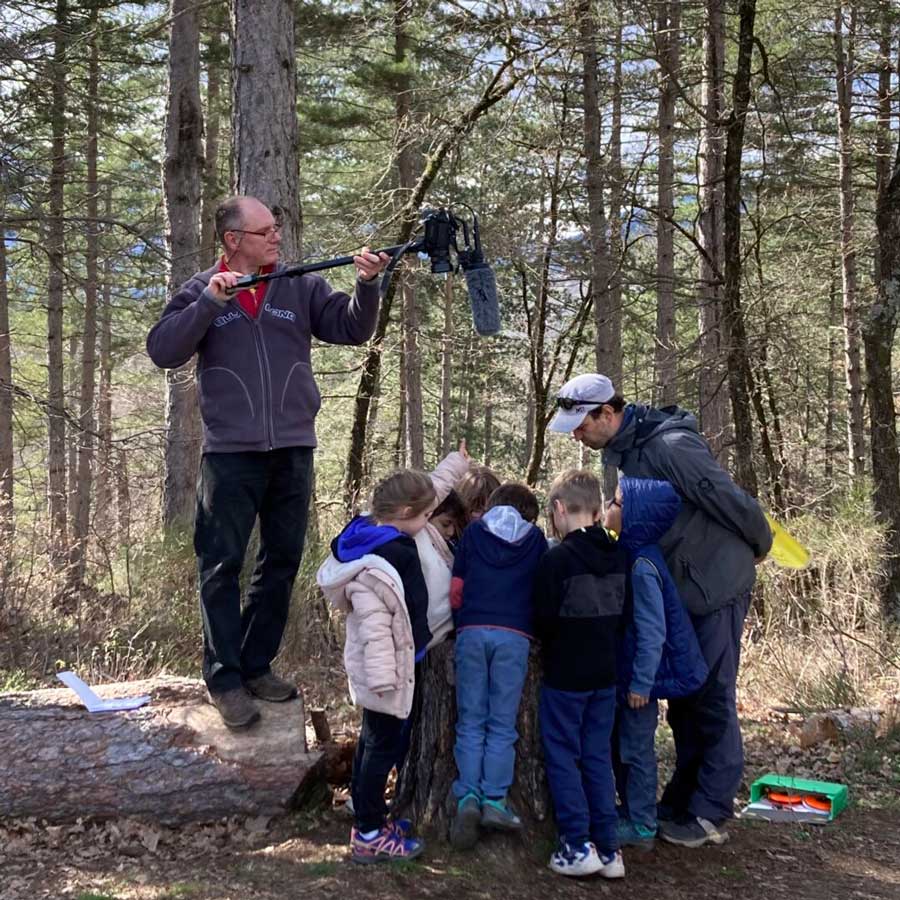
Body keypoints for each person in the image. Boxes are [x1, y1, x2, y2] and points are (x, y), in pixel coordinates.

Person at [146, 195, 390, 730]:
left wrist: (368, 285)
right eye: (264, 231)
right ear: (233, 241)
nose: (276, 237)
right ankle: (224, 678)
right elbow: (163, 350)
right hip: (230, 455)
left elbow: (350, 328)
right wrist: (210, 304)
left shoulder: (298, 282)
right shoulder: (200, 290)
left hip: (293, 450)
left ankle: (257, 666)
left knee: (279, 562)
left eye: (276, 228)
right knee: (220, 567)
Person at [549, 373, 773, 848]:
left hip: (715, 583)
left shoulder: (669, 445)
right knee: (685, 698)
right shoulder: (625, 450)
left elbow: (723, 495)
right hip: (678, 587)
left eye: (580, 424)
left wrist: (761, 542)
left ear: (607, 414)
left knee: (710, 695)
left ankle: (711, 812)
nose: (576, 435)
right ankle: (681, 800)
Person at [316, 469, 437, 864]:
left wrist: (454, 466)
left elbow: (423, 495)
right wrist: (387, 680)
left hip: (392, 666)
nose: (427, 524)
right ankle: (368, 833)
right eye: (424, 517)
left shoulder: (373, 532)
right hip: (387, 672)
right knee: (379, 749)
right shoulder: (385, 559)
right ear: (404, 511)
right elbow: (375, 628)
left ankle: (371, 818)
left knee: (372, 743)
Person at [603, 477, 708, 851]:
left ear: (636, 517)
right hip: (629, 676)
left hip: (638, 684)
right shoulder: (632, 553)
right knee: (622, 747)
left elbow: (652, 632)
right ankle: (631, 811)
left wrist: (641, 684)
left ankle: (643, 823)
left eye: (615, 503)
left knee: (636, 749)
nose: (607, 508)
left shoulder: (643, 565)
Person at [532, 469, 626, 879]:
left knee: (564, 757)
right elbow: (627, 617)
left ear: (557, 510)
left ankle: (575, 844)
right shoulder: (621, 555)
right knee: (597, 758)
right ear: (597, 509)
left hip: (565, 676)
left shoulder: (556, 560)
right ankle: (609, 849)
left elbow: (543, 619)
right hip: (605, 675)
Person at [448, 483, 548, 850]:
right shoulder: (535, 539)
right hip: (514, 634)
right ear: (528, 513)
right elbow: (540, 589)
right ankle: (494, 800)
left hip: (472, 631)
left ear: (491, 506)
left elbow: (456, 587)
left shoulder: (473, 533)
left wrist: (461, 621)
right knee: (502, 724)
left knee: (471, 719)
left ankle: (467, 797)